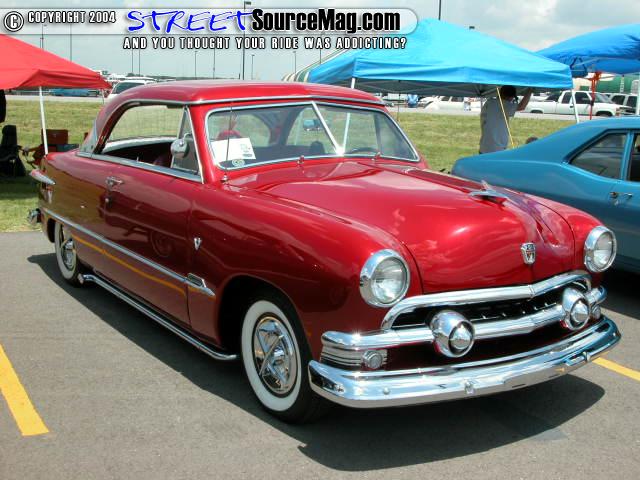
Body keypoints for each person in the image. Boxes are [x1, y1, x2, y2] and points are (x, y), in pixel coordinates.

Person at [479, 86, 532, 154]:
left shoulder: (490, 102)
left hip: (484, 146)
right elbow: (522, 106)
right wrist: (530, 90)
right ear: (510, 97)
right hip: (496, 148)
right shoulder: (503, 105)